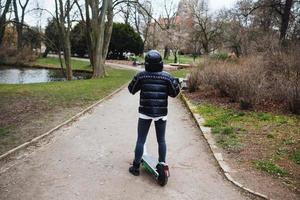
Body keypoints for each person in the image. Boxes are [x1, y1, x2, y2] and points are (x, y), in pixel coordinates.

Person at [128, 50, 180, 176]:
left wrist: (137, 80)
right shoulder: (167, 77)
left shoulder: (141, 76)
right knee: (161, 140)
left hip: (145, 112)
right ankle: (162, 164)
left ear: (146, 63)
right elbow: (174, 93)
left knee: (141, 140)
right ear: (160, 63)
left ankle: (135, 167)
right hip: (161, 113)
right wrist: (177, 84)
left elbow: (131, 89)